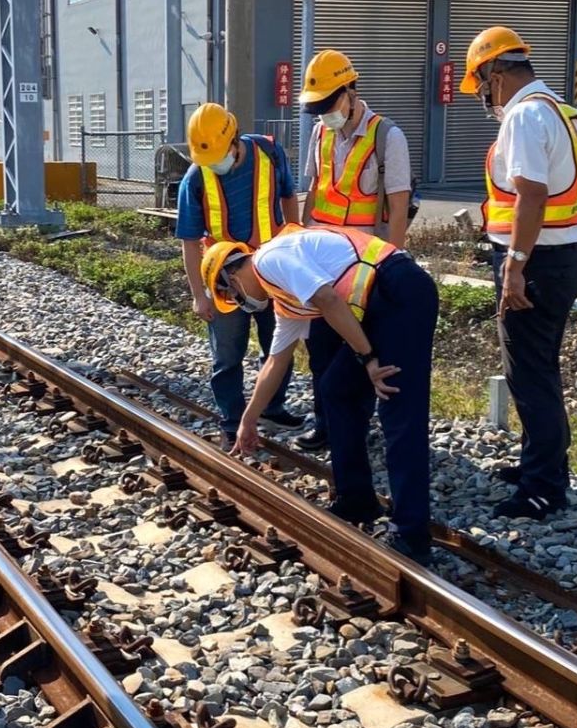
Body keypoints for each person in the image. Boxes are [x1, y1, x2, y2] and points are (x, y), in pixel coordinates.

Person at [206, 223, 438, 563]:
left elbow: (328, 298)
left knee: (398, 410)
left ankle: (411, 535)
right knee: (336, 390)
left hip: (400, 291)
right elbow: (275, 362)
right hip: (381, 303)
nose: (239, 303)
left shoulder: (269, 259)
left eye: (232, 296)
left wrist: (369, 359)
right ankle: (356, 498)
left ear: (233, 276)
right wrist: (248, 421)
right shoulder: (284, 297)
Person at [460, 26, 577, 520]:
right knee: (540, 367)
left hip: (536, 261)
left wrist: (515, 266)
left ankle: (543, 487)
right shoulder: (566, 112)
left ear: (496, 72)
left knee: (531, 374)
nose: (482, 94)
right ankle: (540, 464)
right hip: (566, 257)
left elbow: (531, 195)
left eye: (481, 82)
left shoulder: (523, 116)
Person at [295, 49, 414, 453]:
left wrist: (391, 268)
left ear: (349, 91)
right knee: (320, 347)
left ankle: (355, 427)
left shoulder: (387, 137)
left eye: (328, 104)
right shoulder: (321, 134)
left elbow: (398, 207)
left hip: (365, 265)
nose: (323, 113)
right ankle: (326, 423)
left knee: (360, 347)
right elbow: (314, 192)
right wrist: (301, 239)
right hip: (325, 261)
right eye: (317, 108)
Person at [177, 102, 304, 449]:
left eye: (221, 156)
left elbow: (290, 197)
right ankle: (232, 421)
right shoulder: (196, 176)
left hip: (272, 271)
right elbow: (189, 241)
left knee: (276, 344)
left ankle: (272, 407)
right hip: (225, 282)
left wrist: (294, 242)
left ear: (234, 140)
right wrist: (198, 294)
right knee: (227, 355)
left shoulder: (269, 153)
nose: (216, 165)